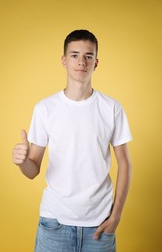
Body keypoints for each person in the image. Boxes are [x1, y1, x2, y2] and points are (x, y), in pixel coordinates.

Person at [12, 29, 132, 252]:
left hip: (100, 225)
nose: (81, 62)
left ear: (96, 62)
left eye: (88, 56)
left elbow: (124, 164)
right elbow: (32, 170)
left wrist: (116, 217)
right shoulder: (45, 108)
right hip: (54, 224)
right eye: (75, 55)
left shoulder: (112, 108)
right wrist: (22, 162)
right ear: (64, 61)